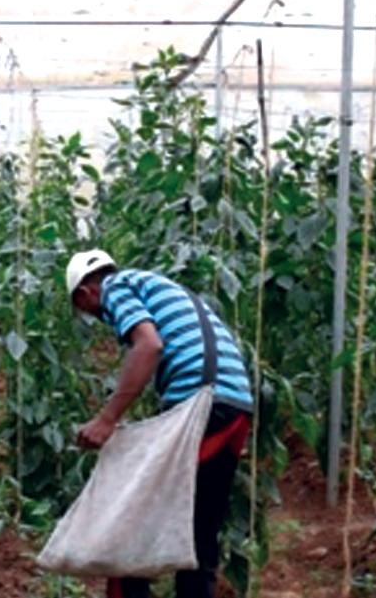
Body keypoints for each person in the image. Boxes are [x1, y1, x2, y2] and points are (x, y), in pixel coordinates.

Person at [65, 249, 254, 598]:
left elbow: (149, 346)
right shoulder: (155, 286)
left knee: (131, 520)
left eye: (87, 310)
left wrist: (106, 420)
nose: (97, 317)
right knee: (199, 530)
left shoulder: (115, 287)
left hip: (201, 404)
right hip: (235, 405)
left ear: (85, 293)